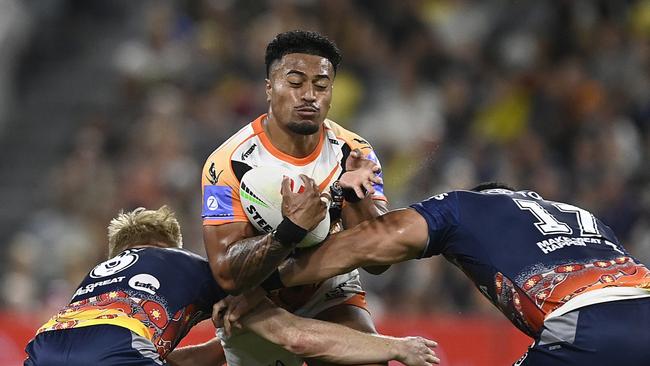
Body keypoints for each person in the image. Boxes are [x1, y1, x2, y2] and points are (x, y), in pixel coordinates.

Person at [228, 182, 650, 365]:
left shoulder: (467, 206)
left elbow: (373, 240)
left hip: (587, 325)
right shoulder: (584, 218)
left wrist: (267, 281)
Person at [24, 206, 440, 366]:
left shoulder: (95, 278)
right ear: (167, 245)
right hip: (120, 348)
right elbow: (293, 337)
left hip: (42, 347)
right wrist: (394, 346)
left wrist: (216, 350)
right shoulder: (193, 267)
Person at [200, 30, 389, 366]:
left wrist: (355, 196)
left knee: (369, 360)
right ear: (269, 88)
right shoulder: (226, 163)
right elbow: (228, 274)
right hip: (257, 303)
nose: (309, 96)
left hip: (329, 292)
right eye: (296, 82)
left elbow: (379, 263)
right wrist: (291, 230)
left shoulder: (355, 153)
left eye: (321, 85)